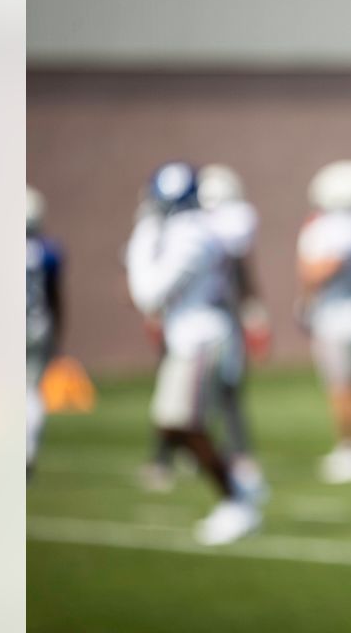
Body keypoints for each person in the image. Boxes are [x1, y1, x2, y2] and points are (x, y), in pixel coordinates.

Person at [126, 162, 261, 546]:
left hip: (198, 338)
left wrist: (142, 235)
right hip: (191, 335)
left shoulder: (190, 236)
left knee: (182, 422)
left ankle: (237, 500)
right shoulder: (195, 230)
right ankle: (237, 490)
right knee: (173, 425)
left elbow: (147, 295)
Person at [296, 160, 351, 483]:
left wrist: (305, 302)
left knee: (345, 388)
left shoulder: (324, 228)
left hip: (338, 319)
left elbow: (311, 274)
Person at [197, 164, 269, 495]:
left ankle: (229, 451)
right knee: (221, 391)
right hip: (217, 315)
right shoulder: (229, 224)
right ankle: (231, 451)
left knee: (216, 391)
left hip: (204, 316)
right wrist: (253, 310)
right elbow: (242, 272)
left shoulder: (192, 225)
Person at [26, 186, 63, 479]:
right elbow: (54, 296)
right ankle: (28, 449)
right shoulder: (47, 251)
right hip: (39, 324)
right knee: (32, 392)